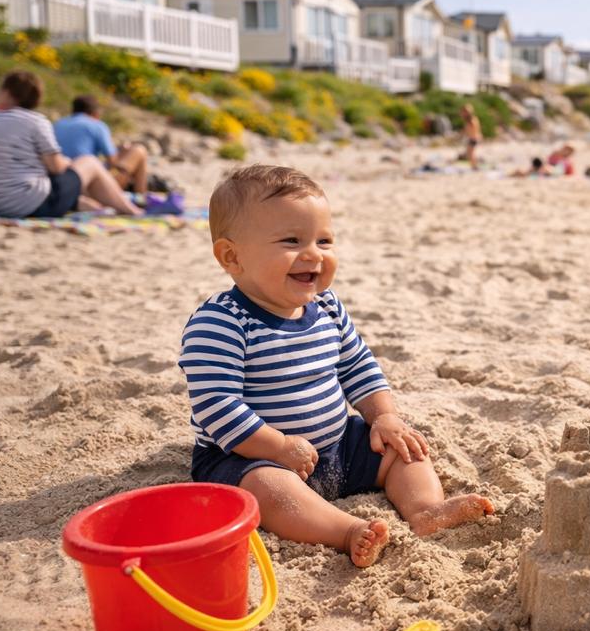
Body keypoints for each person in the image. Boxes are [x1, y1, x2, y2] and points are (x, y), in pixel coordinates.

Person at [179, 165, 493, 567]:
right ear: (232, 256)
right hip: (250, 455)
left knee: (403, 448)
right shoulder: (220, 322)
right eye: (291, 241)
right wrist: (278, 446)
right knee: (269, 488)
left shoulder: (326, 307)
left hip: (337, 445)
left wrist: (383, 417)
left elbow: (357, 364)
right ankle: (344, 530)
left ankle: (426, 511)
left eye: (324, 241)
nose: (314, 254)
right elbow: (216, 406)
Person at [0, 71, 141, 217]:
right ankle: (133, 211)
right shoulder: (35, 121)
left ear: (6, 92)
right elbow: (56, 167)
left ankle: (93, 205)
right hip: (27, 206)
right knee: (89, 162)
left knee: (60, 186)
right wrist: (67, 162)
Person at [54, 95, 151, 195]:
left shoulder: (58, 124)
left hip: (63, 182)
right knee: (139, 151)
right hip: (89, 187)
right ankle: (142, 197)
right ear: (95, 113)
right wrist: (123, 152)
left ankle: (139, 196)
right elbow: (113, 162)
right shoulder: (96, 125)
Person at [460, 104, 482, 170]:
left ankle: (474, 166)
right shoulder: (472, 119)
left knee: (471, 153)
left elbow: (473, 129)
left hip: (473, 138)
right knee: (470, 153)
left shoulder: (471, 120)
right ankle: (474, 166)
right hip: (473, 138)